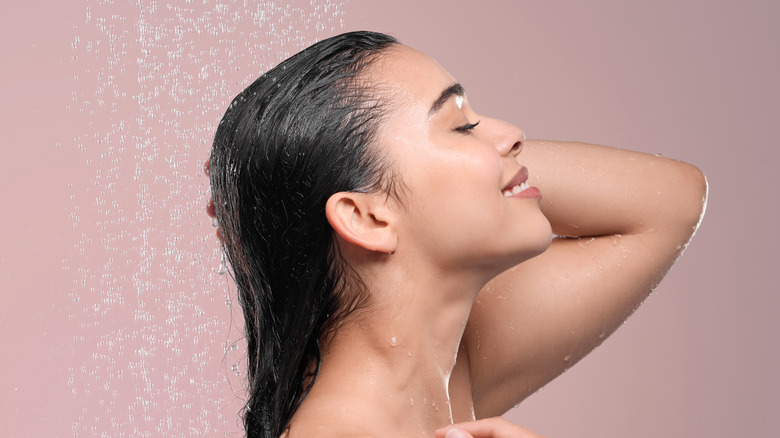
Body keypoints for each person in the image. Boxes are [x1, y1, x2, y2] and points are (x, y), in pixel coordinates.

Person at [204, 31, 707, 438]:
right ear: (367, 219)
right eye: (461, 125)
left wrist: (270, 191)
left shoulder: (443, 366)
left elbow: (672, 198)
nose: (513, 132)